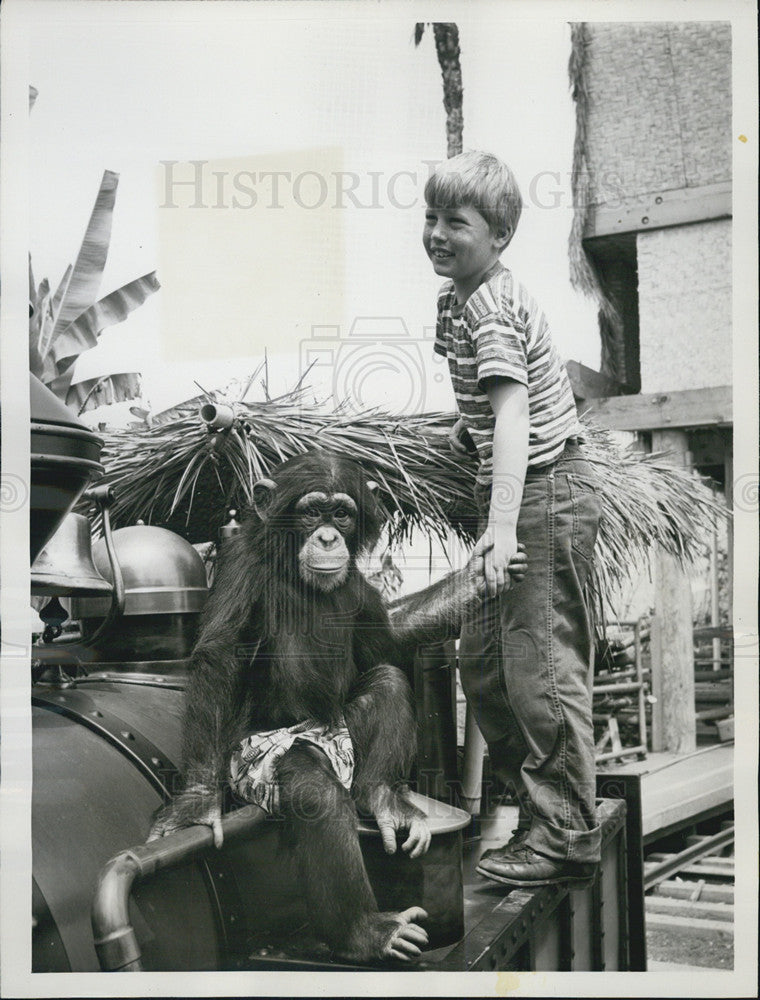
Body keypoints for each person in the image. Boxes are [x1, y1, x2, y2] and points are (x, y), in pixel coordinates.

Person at [423, 151, 603, 886]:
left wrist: (499, 529)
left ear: (497, 237)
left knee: (538, 667)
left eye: (455, 223)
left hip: (545, 493)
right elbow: (485, 405)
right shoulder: (453, 300)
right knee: (484, 667)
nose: (436, 233)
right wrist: (460, 432)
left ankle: (566, 833)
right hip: (515, 485)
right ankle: (537, 812)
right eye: (429, 218)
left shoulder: (492, 302)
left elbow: (514, 411)